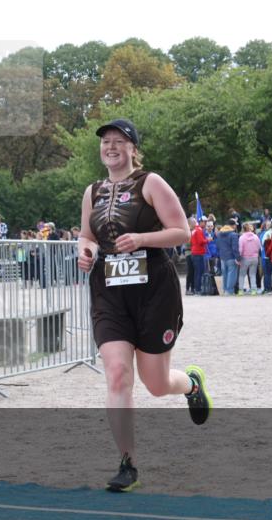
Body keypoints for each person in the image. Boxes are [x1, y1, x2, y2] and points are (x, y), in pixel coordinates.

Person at [76, 118, 210, 493]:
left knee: (156, 383)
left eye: (120, 141)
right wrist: (85, 253)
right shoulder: (93, 192)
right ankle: (127, 463)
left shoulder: (150, 182)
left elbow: (182, 231)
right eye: (106, 141)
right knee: (118, 374)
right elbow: (87, 236)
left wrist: (142, 238)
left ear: (134, 148)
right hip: (109, 292)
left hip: (154, 290)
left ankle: (190, 385)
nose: (111, 146)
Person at [215, 220, 240, 295]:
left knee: (225, 274)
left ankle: (225, 290)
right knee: (232, 274)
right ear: (233, 226)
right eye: (235, 225)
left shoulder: (219, 234)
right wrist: (238, 258)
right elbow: (235, 248)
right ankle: (229, 291)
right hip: (231, 257)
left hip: (222, 257)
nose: (236, 226)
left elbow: (217, 245)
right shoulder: (233, 235)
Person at [237, 223, 261, 294]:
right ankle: (254, 290)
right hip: (254, 258)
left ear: (243, 229)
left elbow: (240, 250)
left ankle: (241, 290)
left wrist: (238, 259)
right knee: (252, 275)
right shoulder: (256, 237)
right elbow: (259, 247)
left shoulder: (242, 237)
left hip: (245, 258)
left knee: (242, 275)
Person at [188, 216, 207, 295]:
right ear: (201, 222)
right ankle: (198, 289)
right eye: (205, 222)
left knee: (197, 272)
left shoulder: (194, 230)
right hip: (198, 253)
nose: (206, 224)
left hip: (194, 253)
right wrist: (208, 240)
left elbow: (191, 242)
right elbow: (201, 242)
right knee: (199, 272)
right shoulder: (199, 230)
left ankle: (196, 289)